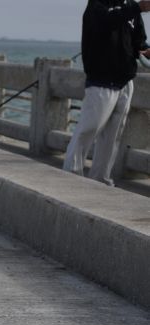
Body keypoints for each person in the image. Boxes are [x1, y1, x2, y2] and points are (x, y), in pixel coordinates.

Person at [63, 0, 150, 186]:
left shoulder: (131, 9)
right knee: (89, 129)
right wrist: (137, 8)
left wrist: (144, 50)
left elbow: (139, 42)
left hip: (125, 83)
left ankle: (101, 179)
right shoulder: (97, 5)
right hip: (101, 82)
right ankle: (70, 176)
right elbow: (107, 21)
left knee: (112, 136)